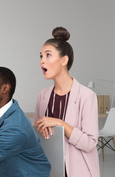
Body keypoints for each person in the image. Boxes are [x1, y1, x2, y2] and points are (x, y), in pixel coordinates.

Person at [34, 27, 100, 177]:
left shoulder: (87, 96)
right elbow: (37, 138)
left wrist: (61, 124)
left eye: (48, 55)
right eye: (40, 56)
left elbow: (90, 143)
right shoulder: (42, 96)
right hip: (48, 170)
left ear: (64, 60)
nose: (42, 61)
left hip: (78, 171)